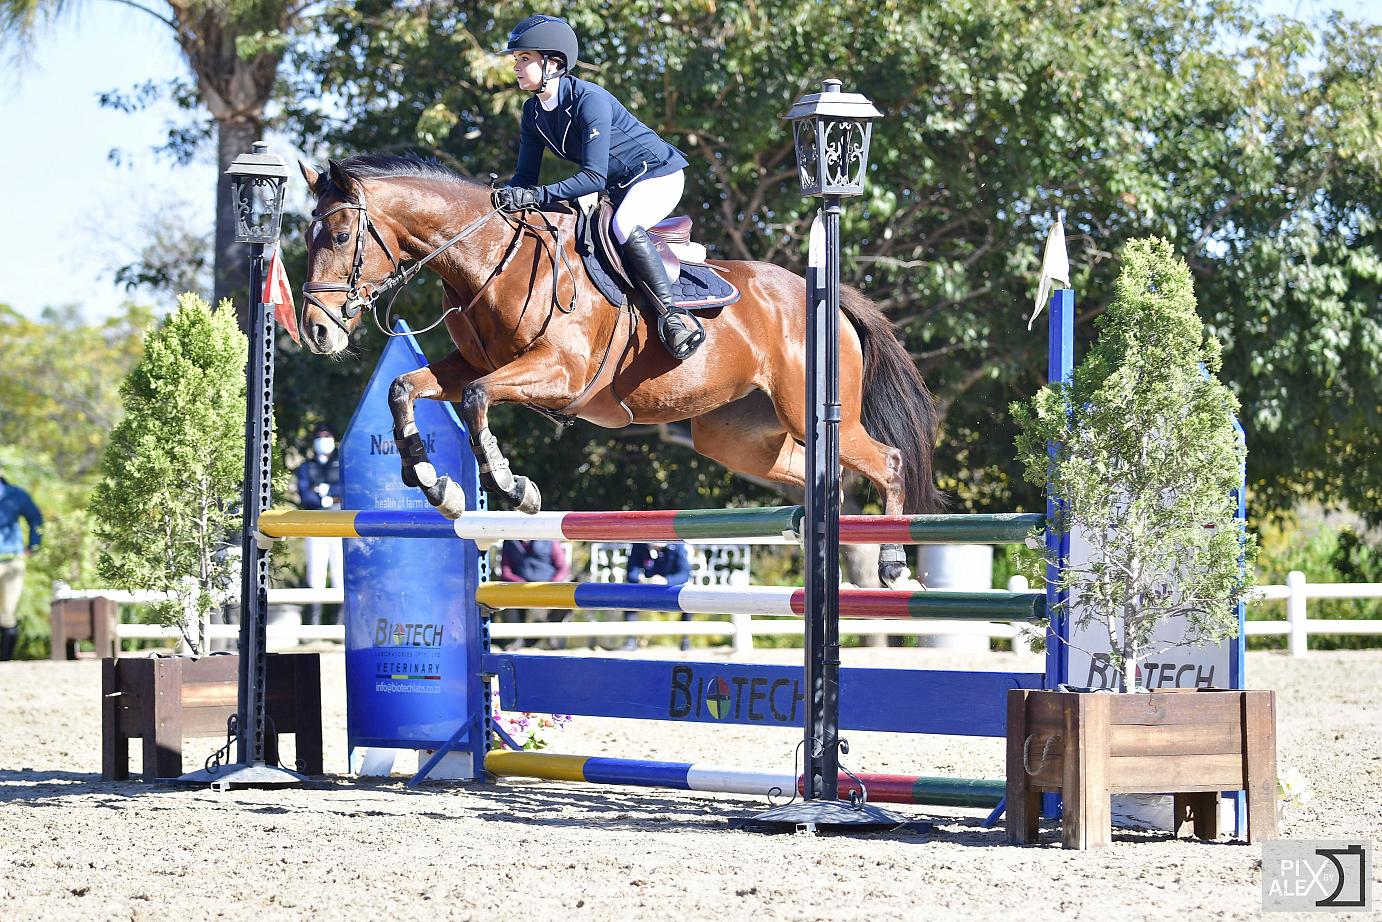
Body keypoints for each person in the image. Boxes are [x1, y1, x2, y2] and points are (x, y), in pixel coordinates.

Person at [495, 14, 706, 361]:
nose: (516, 67)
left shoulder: (588, 100)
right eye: (517, 60)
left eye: (524, 59)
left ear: (554, 63)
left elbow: (593, 177)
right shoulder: (532, 113)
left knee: (623, 226)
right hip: (617, 186)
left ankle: (674, 318)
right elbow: (524, 180)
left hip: (657, 175)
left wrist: (534, 196)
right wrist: (504, 199)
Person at [295, 425, 343, 626]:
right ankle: (314, 623)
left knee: (339, 569)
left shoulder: (341, 463)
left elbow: (345, 487)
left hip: (340, 520)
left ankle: (341, 622)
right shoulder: (307, 466)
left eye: (327, 435)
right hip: (315, 520)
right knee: (316, 571)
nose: (323, 439)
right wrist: (320, 500)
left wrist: (329, 496)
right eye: (319, 436)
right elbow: (305, 493)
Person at [499, 539, 572, 650]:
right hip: (520, 588)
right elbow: (506, 571)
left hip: (548, 587)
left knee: (568, 595)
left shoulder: (550, 541)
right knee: (502, 594)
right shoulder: (510, 542)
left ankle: (550, 636)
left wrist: (551, 585)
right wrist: (522, 585)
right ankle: (515, 639)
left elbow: (563, 568)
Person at [0, 471, 42, 661]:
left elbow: (36, 518)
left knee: (8, 612)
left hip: (12, 562)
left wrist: (34, 545)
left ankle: (6, 660)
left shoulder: (16, 495)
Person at [623, 541, 692, 651]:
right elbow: (631, 572)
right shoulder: (639, 545)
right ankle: (630, 640)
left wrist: (666, 580)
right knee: (628, 597)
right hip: (646, 589)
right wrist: (643, 580)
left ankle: (685, 640)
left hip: (670, 589)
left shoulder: (677, 546)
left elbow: (684, 574)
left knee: (688, 597)